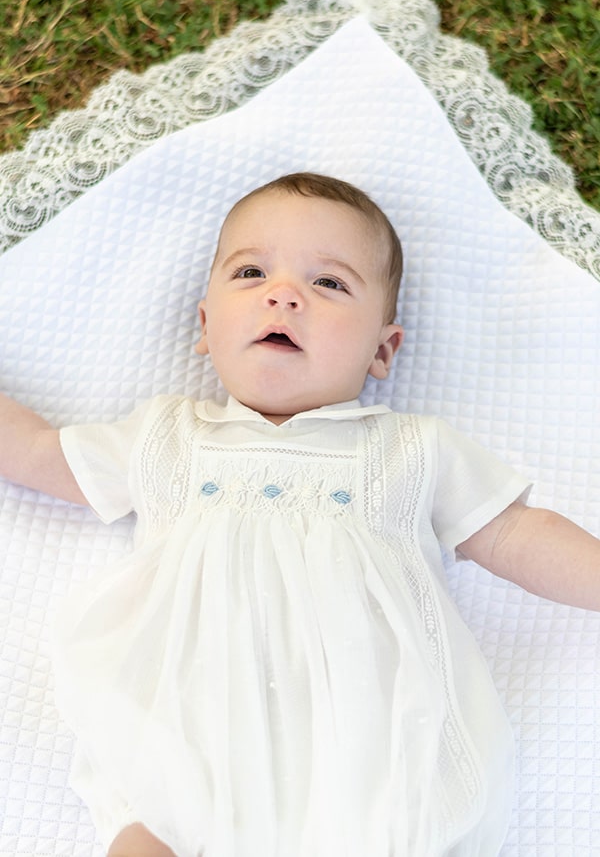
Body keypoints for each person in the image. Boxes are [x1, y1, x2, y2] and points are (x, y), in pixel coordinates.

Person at [1, 172, 599, 857]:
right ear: (205, 326)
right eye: (251, 272)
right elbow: (36, 453)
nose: (282, 294)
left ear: (382, 348)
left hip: (369, 752)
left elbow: (520, 534)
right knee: (146, 835)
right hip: (187, 736)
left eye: (330, 284)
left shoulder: (411, 452)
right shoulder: (168, 439)